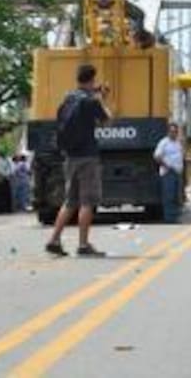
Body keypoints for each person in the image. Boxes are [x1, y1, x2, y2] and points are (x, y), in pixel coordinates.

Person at [46, 64, 112, 256]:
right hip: (87, 157)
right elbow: (107, 120)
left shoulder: (68, 98)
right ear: (92, 79)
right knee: (87, 201)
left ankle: (54, 239)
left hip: (70, 156)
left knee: (69, 202)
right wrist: (102, 99)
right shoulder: (90, 102)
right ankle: (83, 245)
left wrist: (95, 95)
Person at [153, 123, 184, 223]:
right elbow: (157, 156)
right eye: (172, 131)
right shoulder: (164, 142)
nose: (173, 133)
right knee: (169, 196)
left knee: (176, 196)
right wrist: (166, 166)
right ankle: (169, 218)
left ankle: (174, 217)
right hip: (168, 172)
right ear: (168, 132)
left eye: (175, 132)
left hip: (177, 172)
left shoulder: (178, 143)